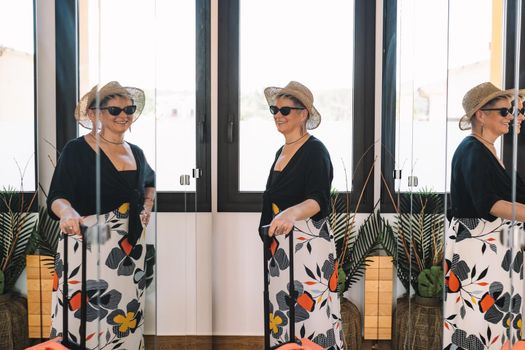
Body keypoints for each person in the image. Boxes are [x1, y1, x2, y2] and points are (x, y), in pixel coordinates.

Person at [47, 81, 155, 349]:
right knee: (84, 315)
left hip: (129, 251)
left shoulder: (137, 152)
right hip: (88, 243)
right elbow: (58, 196)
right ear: (95, 114)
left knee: (124, 316)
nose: (123, 115)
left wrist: (147, 206)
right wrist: (68, 212)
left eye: (128, 109)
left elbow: (149, 182)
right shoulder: (77, 150)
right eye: (114, 109)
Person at [259, 81, 343, 349]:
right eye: (274, 109)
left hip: (309, 248)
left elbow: (318, 199)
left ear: (303, 113)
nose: (278, 115)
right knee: (283, 314)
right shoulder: (281, 152)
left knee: (312, 315)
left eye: (285, 110)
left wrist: (290, 213)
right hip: (281, 247)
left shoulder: (315, 151)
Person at [444, 82, 525, 349]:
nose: (510, 117)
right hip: (479, 254)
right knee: (477, 325)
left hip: (494, 255)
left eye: (511, 111)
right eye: (503, 111)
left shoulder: (487, 150)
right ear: (481, 114)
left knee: (494, 326)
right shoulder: (472, 150)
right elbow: (489, 204)